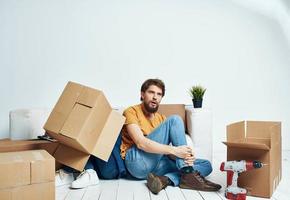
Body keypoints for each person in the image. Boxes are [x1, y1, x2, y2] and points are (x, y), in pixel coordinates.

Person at [120, 78, 221, 194]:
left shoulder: (161, 119)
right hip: (136, 162)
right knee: (175, 120)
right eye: (151, 92)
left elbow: (166, 152)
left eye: (159, 94)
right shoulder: (131, 111)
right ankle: (187, 173)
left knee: (206, 165)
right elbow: (140, 143)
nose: (155, 97)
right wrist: (175, 151)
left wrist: (185, 156)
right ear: (142, 94)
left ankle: (165, 180)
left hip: (157, 164)